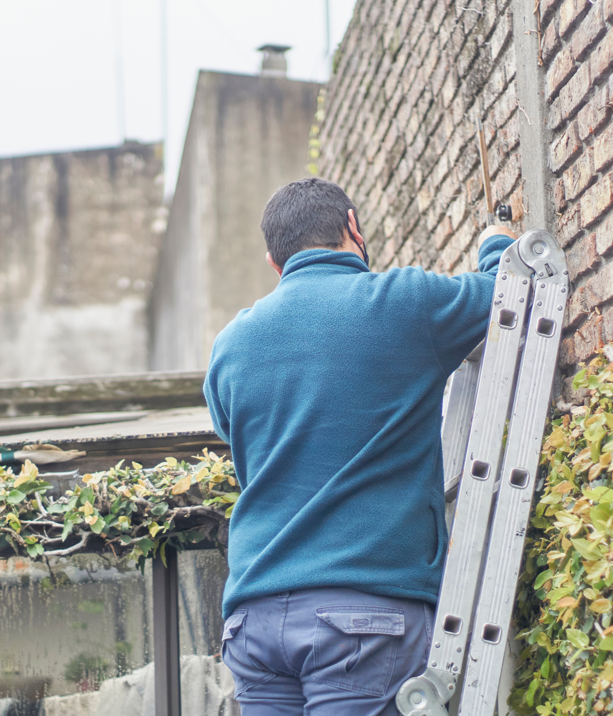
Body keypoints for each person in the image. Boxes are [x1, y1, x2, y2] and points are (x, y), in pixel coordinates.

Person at [202, 177, 516, 715]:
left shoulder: (229, 345)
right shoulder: (401, 302)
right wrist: (497, 241)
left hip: (253, 623)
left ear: (275, 262)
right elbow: (509, 293)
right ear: (352, 225)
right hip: (362, 617)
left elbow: (240, 442)